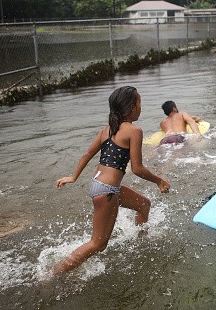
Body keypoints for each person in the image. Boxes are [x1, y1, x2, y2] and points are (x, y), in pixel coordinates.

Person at [53, 86, 170, 275]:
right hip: (107, 190)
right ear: (132, 107)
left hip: (99, 185)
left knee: (144, 204)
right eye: (140, 103)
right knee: (98, 244)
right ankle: (55, 273)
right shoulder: (134, 130)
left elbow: (87, 154)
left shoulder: (106, 130)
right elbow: (137, 168)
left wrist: (73, 177)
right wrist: (159, 181)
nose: (141, 107)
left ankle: (142, 243)